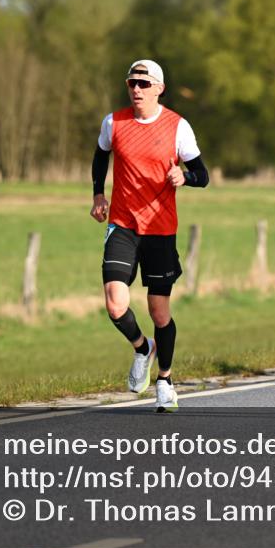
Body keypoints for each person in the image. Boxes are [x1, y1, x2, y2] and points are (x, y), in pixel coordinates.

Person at [90, 59, 209, 412]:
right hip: (123, 224)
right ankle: (143, 348)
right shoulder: (114, 122)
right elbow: (100, 156)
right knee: (115, 303)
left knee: (159, 312)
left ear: (159, 88)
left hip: (160, 229)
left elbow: (203, 174)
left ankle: (165, 381)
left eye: (143, 83)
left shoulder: (178, 127)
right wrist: (98, 194)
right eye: (132, 83)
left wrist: (184, 177)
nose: (136, 89)